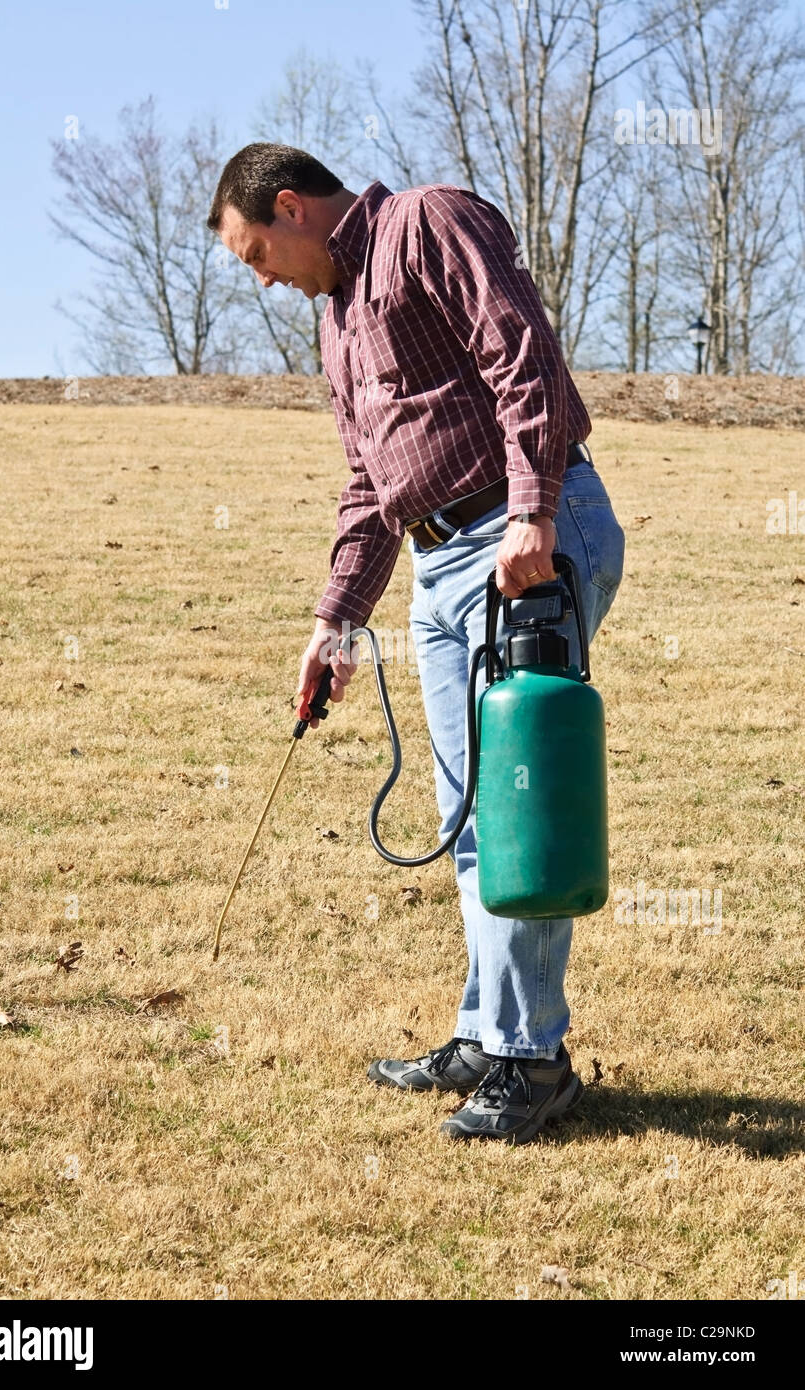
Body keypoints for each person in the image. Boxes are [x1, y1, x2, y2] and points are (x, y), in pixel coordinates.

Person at [208, 143, 625, 1145]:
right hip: (440, 565)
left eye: (255, 251)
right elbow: (368, 486)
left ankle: (533, 1062)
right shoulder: (334, 319)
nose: (260, 276)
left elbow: (518, 347)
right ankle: (488, 1033)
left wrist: (529, 509)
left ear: (294, 207)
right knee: (470, 814)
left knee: (513, 808)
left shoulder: (426, 224)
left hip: (525, 534)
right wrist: (336, 619)